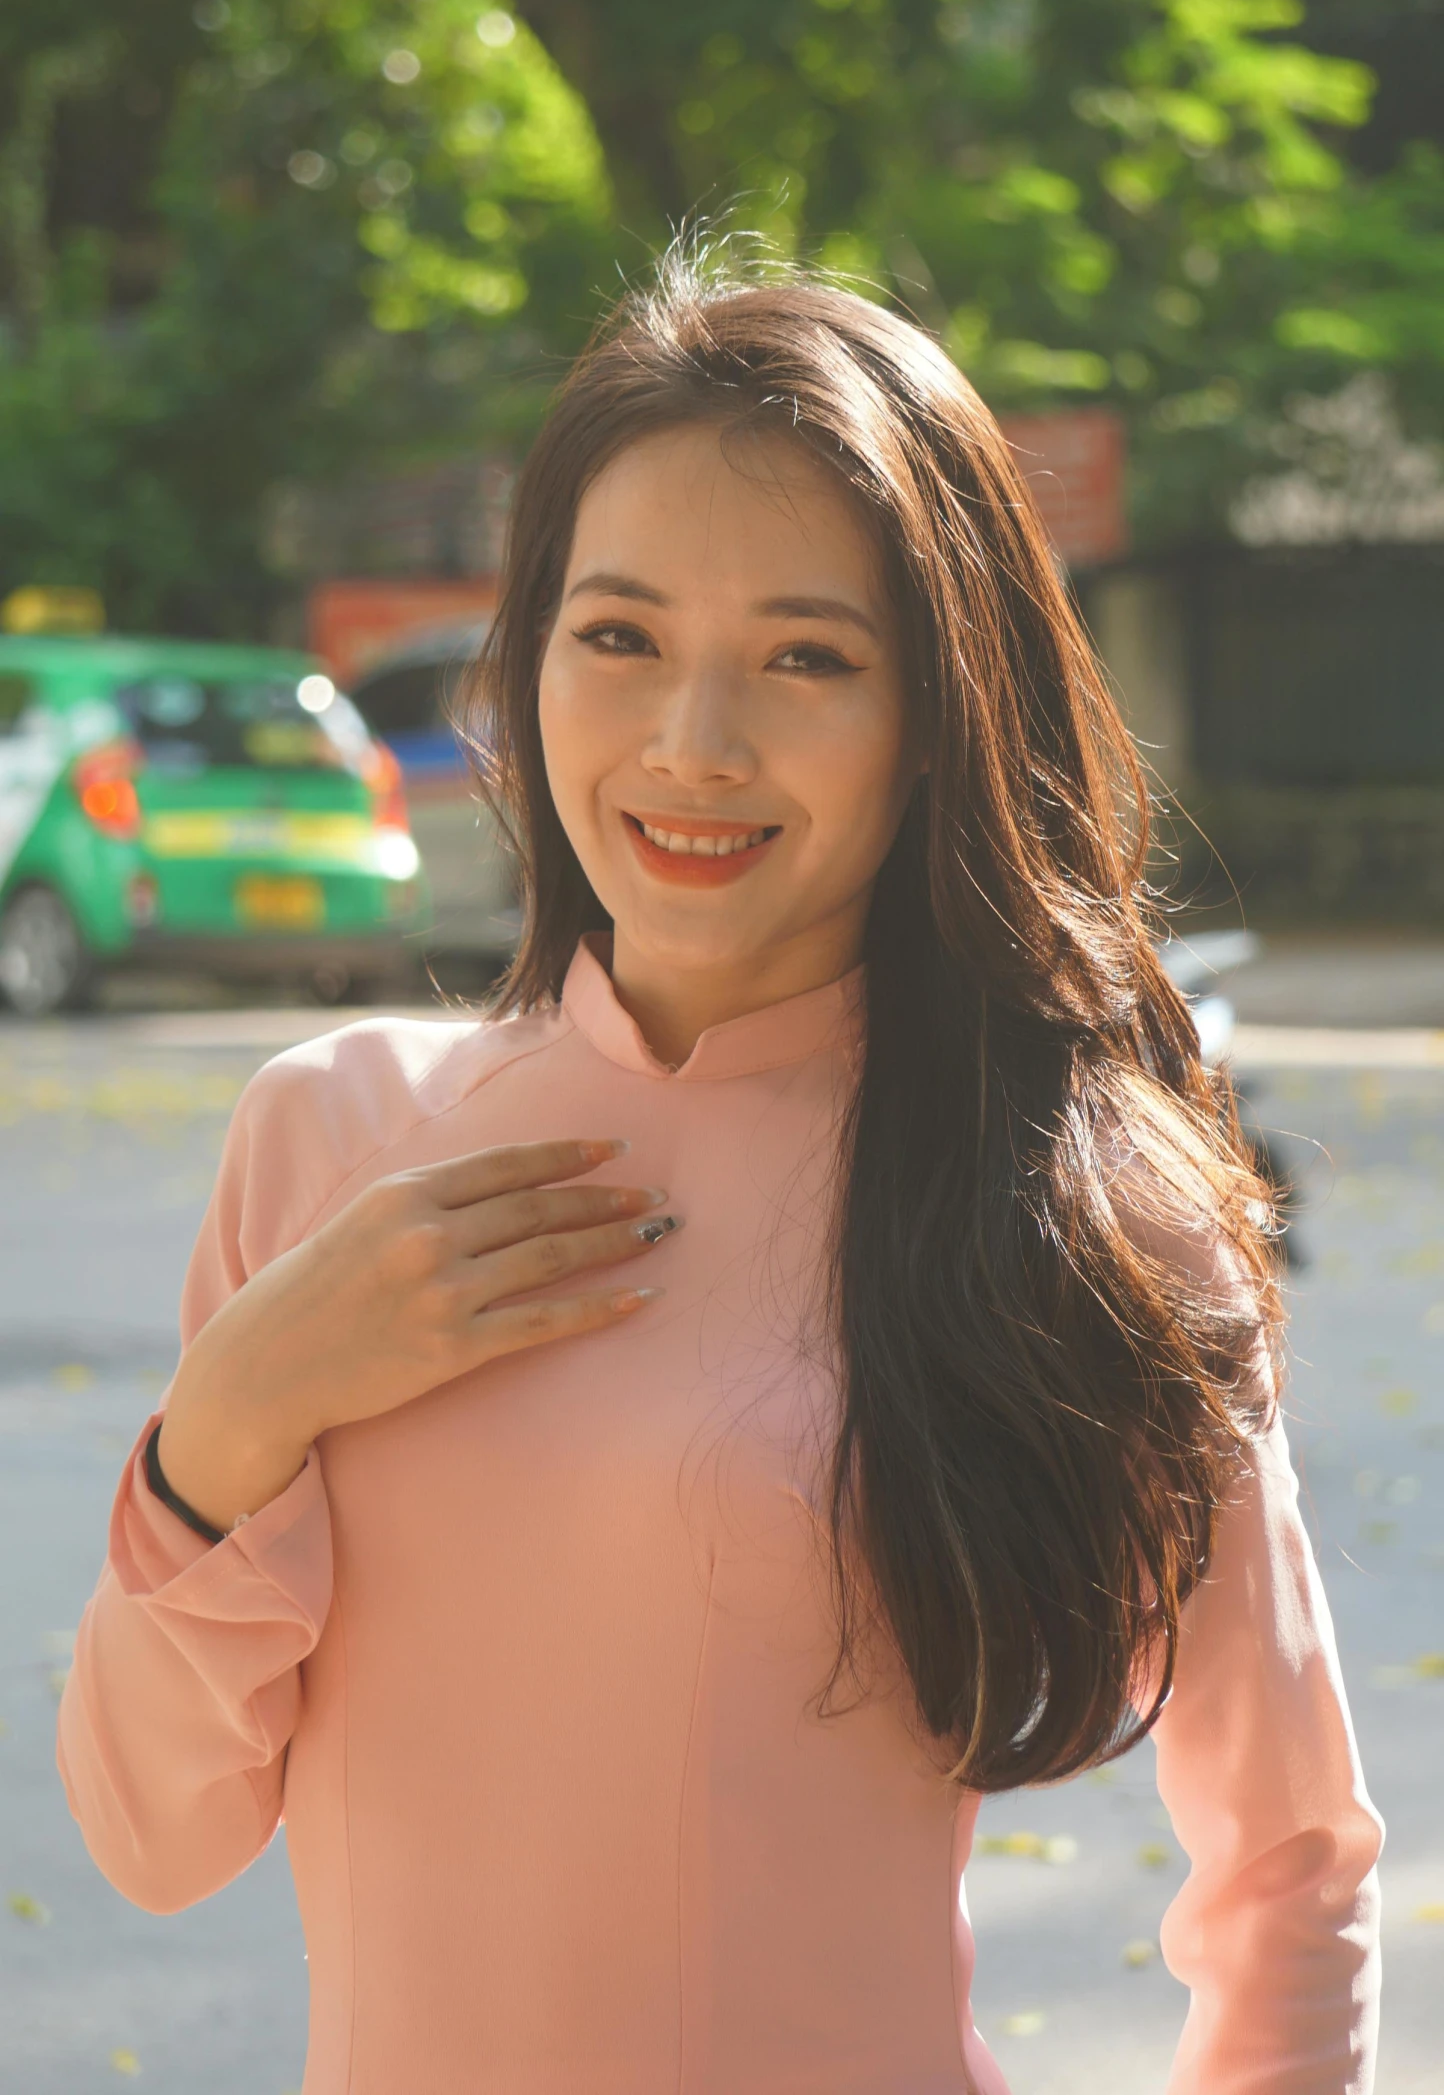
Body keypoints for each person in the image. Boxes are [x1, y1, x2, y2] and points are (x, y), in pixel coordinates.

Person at [58, 258, 1381, 2094]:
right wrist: (236, 1412)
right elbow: (151, 1830)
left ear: (938, 719)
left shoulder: (1077, 1203)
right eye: (619, 636)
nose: (694, 742)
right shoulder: (329, 1136)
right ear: (521, 664)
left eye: (806, 657)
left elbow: (1292, 1871)